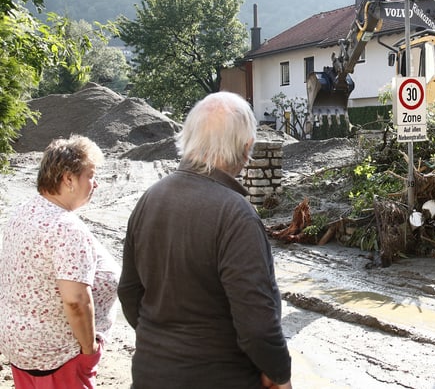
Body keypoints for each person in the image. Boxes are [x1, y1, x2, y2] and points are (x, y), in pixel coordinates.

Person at [118, 91, 292, 389]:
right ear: (247, 147)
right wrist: (279, 374)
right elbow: (257, 326)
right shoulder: (237, 214)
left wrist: (163, 342)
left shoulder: (150, 199)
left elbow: (129, 293)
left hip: (150, 373)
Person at [0, 135, 120, 389]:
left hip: (21, 345)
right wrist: (89, 350)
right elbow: (76, 300)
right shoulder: (66, 228)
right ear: (68, 179)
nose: (95, 183)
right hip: (58, 354)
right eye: (90, 175)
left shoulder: (23, 212)